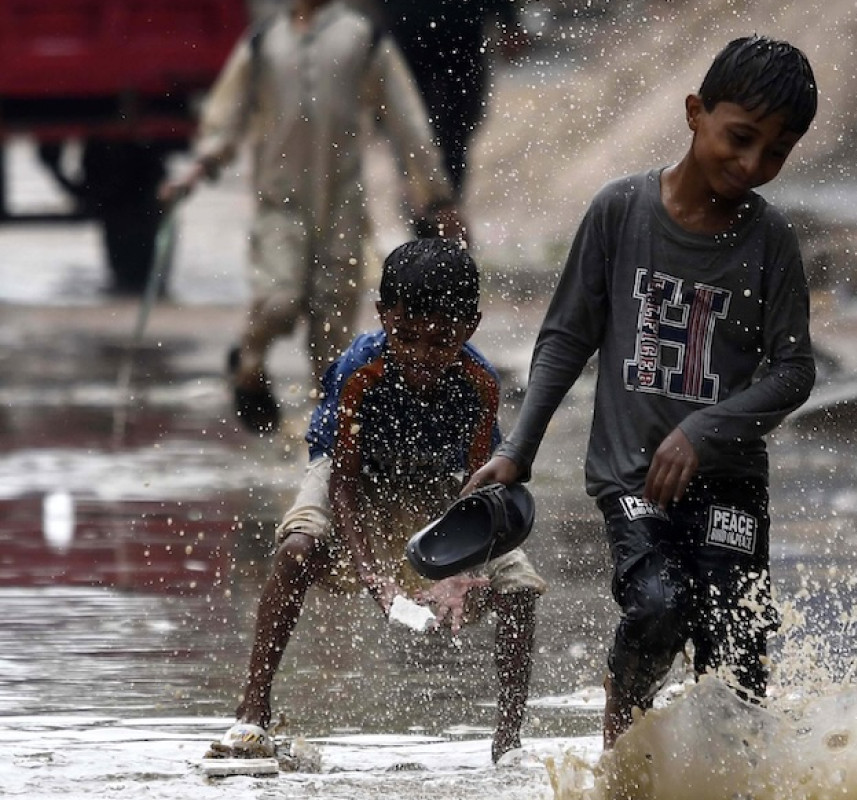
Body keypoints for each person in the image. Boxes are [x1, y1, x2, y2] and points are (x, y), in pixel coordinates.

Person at [461, 36, 818, 747]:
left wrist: (704, 430)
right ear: (695, 113)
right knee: (660, 604)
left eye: (775, 154)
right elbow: (566, 337)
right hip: (632, 477)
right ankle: (621, 728)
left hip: (731, 485)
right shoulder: (620, 211)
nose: (751, 167)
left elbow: (793, 370)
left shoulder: (771, 239)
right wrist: (518, 449)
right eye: (739, 139)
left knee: (737, 653)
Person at [208, 238, 544, 764]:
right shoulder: (360, 370)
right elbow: (341, 483)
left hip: (442, 483)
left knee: (519, 588)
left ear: (470, 327)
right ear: (385, 316)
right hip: (353, 478)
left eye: (441, 341)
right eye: (406, 336)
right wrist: (374, 578)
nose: (420, 356)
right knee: (297, 548)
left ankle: (508, 742)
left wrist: (460, 570)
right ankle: (252, 710)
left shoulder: (479, 383)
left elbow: (476, 491)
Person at [160, 0, 463, 435]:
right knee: (278, 301)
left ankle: (327, 458)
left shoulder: (362, 37)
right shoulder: (265, 41)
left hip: (343, 208)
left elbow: (405, 119)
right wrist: (195, 172)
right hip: (279, 206)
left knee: (332, 344)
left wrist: (436, 195)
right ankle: (248, 363)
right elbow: (227, 116)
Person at [377, 0, 529, 205]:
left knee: (455, 133)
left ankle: (444, 207)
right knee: (412, 133)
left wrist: (509, 21)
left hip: (462, 33)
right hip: (408, 33)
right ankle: (431, 207)